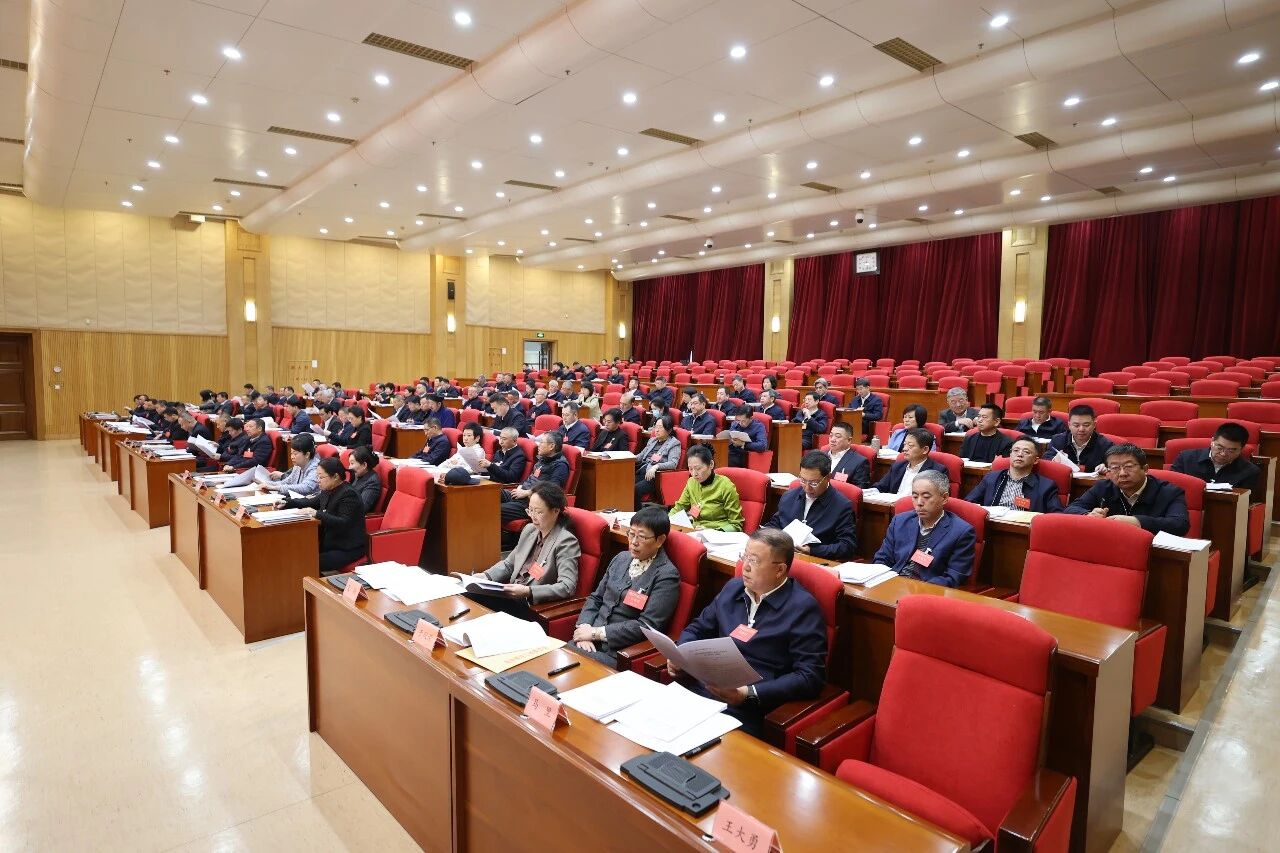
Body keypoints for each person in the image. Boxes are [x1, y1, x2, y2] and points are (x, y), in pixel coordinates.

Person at [671, 528, 827, 739]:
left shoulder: (802, 608)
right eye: (744, 556)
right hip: (703, 691)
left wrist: (749, 694)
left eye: (754, 560)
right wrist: (680, 654)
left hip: (749, 708)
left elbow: (810, 677)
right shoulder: (733, 589)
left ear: (780, 570)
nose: (745, 566)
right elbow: (697, 628)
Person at [573, 506, 681, 667]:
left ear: (660, 540)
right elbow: (596, 598)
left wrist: (595, 634)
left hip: (620, 653)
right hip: (587, 640)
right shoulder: (621, 558)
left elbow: (647, 626)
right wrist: (584, 628)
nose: (634, 542)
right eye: (631, 534)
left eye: (641, 537)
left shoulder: (666, 575)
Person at [873, 470, 977, 587]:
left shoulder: (961, 532)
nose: (919, 503)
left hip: (929, 590)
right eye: (915, 496)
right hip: (893, 585)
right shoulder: (900, 521)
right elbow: (882, 559)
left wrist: (918, 589)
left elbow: (954, 577)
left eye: (926, 497)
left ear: (944, 498)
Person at [480, 482, 580, 604]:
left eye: (539, 512)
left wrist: (529, 591)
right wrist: (485, 576)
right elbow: (509, 564)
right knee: (470, 593)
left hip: (530, 603)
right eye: (530, 510)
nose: (533, 517)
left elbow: (567, 586)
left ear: (556, 511)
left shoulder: (565, 541)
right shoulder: (529, 529)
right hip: (511, 594)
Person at [1065, 444, 1190, 534]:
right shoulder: (1103, 487)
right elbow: (1070, 509)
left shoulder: (1170, 492)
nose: (1122, 473)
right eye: (1115, 468)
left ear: (1145, 469)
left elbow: (1180, 524)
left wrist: (1136, 521)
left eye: (1129, 466)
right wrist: (1088, 515)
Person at [763, 450, 857, 559]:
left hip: (818, 560)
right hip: (785, 556)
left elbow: (847, 546)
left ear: (828, 478)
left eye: (814, 483)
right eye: (803, 480)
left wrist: (813, 551)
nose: (807, 488)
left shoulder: (842, 506)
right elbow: (775, 524)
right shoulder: (788, 497)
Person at [284, 457, 366, 575]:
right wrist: (286, 502)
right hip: (329, 542)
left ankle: (312, 586)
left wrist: (316, 513)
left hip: (346, 548)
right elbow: (309, 502)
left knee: (306, 561)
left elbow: (343, 522)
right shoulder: (328, 490)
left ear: (335, 476)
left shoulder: (348, 494)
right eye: (317, 476)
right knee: (295, 552)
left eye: (321, 477)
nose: (318, 480)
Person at [499, 432, 570, 545]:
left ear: (551, 446)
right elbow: (531, 478)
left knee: (493, 509)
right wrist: (521, 486)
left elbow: (552, 490)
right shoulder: (543, 459)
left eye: (541, 442)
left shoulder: (560, 465)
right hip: (521, 494)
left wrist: (527, 492)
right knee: (492, 494)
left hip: (532, 503)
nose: (538, 445)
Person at [966, 437, 1063, 512]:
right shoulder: (991, 478)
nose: (1019, 454)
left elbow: (1056, 515)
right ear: (1010, 455)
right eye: (1016, 450)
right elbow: (968, 503)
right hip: (991, 526)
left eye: (1026, 452)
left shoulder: (1046, 486)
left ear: (1035, 460)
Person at [669, 445, 745, 532]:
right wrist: (666, 521)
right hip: (695, 531)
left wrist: (711, 531)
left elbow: (736, 524)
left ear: (711, 464)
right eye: (690, 469)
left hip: (717, 533)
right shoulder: (691, 482)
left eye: (698, 468)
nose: (694, 474)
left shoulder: (725, 485)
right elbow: (679, 507)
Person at [1170, 422, 1260, 489]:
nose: (1223, 454)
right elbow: (1171, 488)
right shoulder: (1185, 458)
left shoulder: (1250, 472)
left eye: (1231, 450)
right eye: (1219, 447)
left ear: (1241, 449)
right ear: (1212, 441)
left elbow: (1247, 503)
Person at [874, 428, 949, 497]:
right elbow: (880, 487)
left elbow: (938, 498)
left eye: (910, 446)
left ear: (925, 450)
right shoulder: (897, 466)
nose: (904, 449)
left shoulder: (937, 471)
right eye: (904, 444)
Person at [1047, 405, 1113, 473]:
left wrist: (1105, 466)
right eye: (1076, 425)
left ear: (1094, 425)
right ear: (1069, 425)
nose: (1081, 429)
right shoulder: (1058, 440)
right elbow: (1046, 460)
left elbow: (1114, 465)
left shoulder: (1105, 445)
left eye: (1086, 425)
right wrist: (1054, 460)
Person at [634, 415, 681, 505]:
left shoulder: (674, 443)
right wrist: (628, 458)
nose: (657, 430)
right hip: (641, 471)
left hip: (655, 476)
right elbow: (641, 456)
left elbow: (673, 464)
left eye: (660, 427)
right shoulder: (652, 440)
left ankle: (637, 512)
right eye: (656, 427)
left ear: (669, 430)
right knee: (625, 484)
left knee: (636, 489)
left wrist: (656, 466)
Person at [826, 422, 870, 487]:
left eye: (838, 436)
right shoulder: (820, 456)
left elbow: (859, 490)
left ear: (849, 440)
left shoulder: (860, 462)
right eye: (831, 435)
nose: (832, 440)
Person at [348, 445, 383, 512]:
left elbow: (361, 508)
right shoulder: (358, 474)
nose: (349, 467)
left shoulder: (372, 482)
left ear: (364, 465)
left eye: (352, 463)